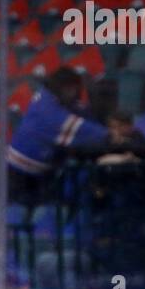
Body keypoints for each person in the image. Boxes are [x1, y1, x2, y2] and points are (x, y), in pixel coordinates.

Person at [8, 67, 114, 206]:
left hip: (30, 171)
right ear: (67, 88)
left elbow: (77, 109)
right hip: (22, 175)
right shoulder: (50, 112)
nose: (77, 94)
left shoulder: (49, 97)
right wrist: (109, 134)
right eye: (75, 89)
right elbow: (80, 127)